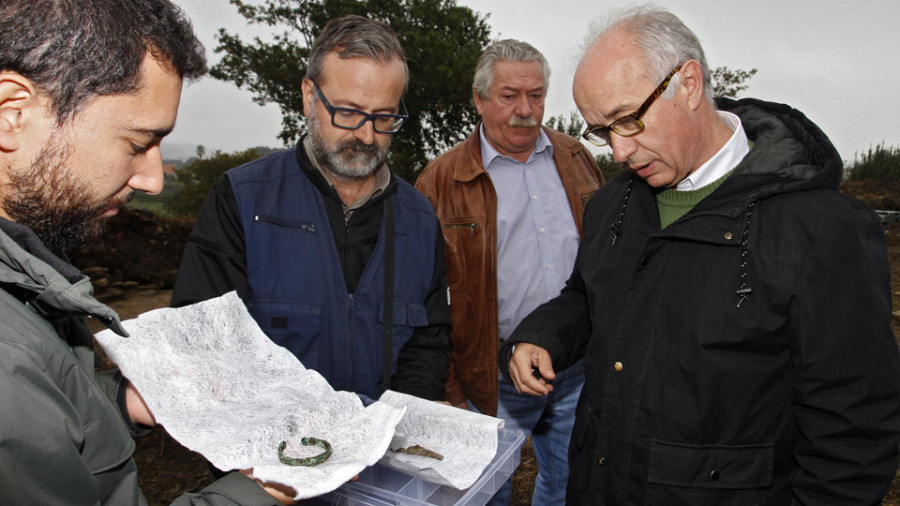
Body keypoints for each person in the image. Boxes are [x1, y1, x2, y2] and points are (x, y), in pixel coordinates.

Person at [500, 5, 900, 505]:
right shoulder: (613, 204)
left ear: (688, 84)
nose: (619, 153)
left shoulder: (822, 229)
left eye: (628, 120)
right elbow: (587, 295)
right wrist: (543, 335)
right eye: (602, 131)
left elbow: (854, 434)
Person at [0, 0, 295, 504]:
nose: (154, 180)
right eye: (138, 143)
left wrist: (124, 400)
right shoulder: (8, 356)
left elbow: (51, 418)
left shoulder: (26, 273)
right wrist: (263, 490)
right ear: (13, 112)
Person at [171, 15, 450, 405]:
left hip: (382, 455)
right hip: (269, 456)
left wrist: (396, 430)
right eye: (348, 113)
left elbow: (429, 340)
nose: (367, 136)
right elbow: (203, 346)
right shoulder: (243, 200)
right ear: (308, 96)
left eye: (384, 118)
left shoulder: (419, 218)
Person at [415, 39, 603, 504]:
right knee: (485, 493)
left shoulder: (577, 160)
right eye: (509, 95)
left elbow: (605, 258)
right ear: (479, 100)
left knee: (569, 486)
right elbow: (423, 296)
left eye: (536, 95)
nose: (526, 109)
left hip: (576, 367)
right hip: (489, 373)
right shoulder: (439, 180)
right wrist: (450, 387)